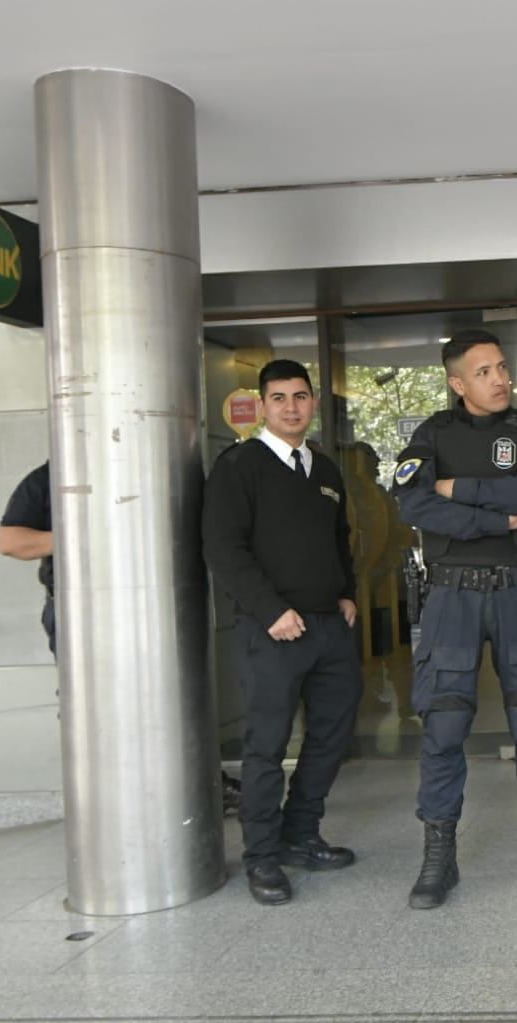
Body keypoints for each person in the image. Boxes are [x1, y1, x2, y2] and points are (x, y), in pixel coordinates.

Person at [391, 330, 517, 909]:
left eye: (502, 367)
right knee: (443, 728)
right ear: (457, 383)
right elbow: (414, 504)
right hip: (452, 598)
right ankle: (438, 859)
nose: (500, 379)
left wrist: (460, 490)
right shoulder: (431, 434)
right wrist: (497, 522)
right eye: (484, 372)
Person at [202, 359, 363, 906]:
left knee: (330, 740)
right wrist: (271, 610)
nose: (291, 406)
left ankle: (300, 835)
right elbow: (224, 549)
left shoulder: (324, 470)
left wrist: (347, 594)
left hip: (328, 629)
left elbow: (340, 540)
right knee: (266, 748)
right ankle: (262, 858)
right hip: (271, 630)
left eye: (300, 396)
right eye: (279, 398)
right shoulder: (239, 467)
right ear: (263, 406)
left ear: (313, 402)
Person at [1, 462, 243, 813]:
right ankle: (109, 807)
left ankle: (201, 787)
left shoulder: (154, 464)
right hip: (78, 609)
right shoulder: (51, 476)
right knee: (90, 707)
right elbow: (10, 541)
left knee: (173, 696)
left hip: (155, 602)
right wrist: (85, 533)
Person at [0, 462, 56, 655]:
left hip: (146, 602)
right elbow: (11, 542)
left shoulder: (145, 471)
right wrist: (89, 537)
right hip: (73, 606)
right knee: (82, 683)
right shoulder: (49, 477)